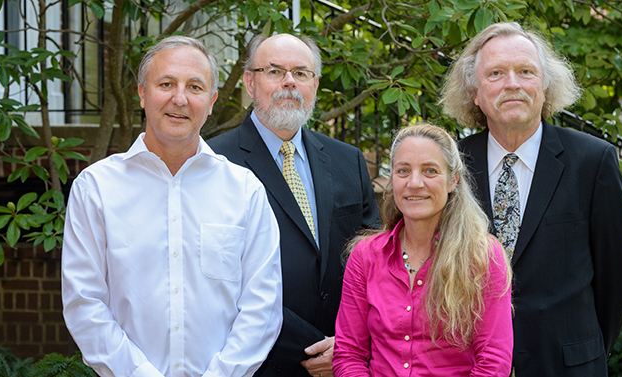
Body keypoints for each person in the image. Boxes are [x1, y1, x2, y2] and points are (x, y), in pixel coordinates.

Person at [62, 36, 283, 377]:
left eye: (195, 87)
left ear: (210, 102)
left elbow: (262, 307)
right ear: (141, 93)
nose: (179, 99)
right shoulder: (96, 189)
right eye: (166, 84)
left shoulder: (245, 192)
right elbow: (84, 303)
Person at [440, 22, 622, 376]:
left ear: (545, 87)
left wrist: (585, 350)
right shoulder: (453, 166)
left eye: (526, 72)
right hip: (470, 366)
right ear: (475, 92)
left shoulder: (593, 162)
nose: (512, 83)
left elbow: (616, 277)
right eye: (496, 73)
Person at [207, 33, 380, 377]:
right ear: (249, 82)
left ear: (314, 84)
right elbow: (217, 280)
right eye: (274, 71)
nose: (289, 82)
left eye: (301, 73)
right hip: (255, 364)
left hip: (344, 361)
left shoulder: (348, 161)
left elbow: (374, 262)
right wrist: (311, 346)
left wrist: (346, 344)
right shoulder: (214, 163)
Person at [333, 123, 513, 376]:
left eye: (430, 171)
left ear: (453, 181)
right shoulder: (365, 256)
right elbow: (348, 354)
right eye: (403, 170)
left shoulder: (483, 257)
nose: (414, 183)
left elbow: (494, 363)